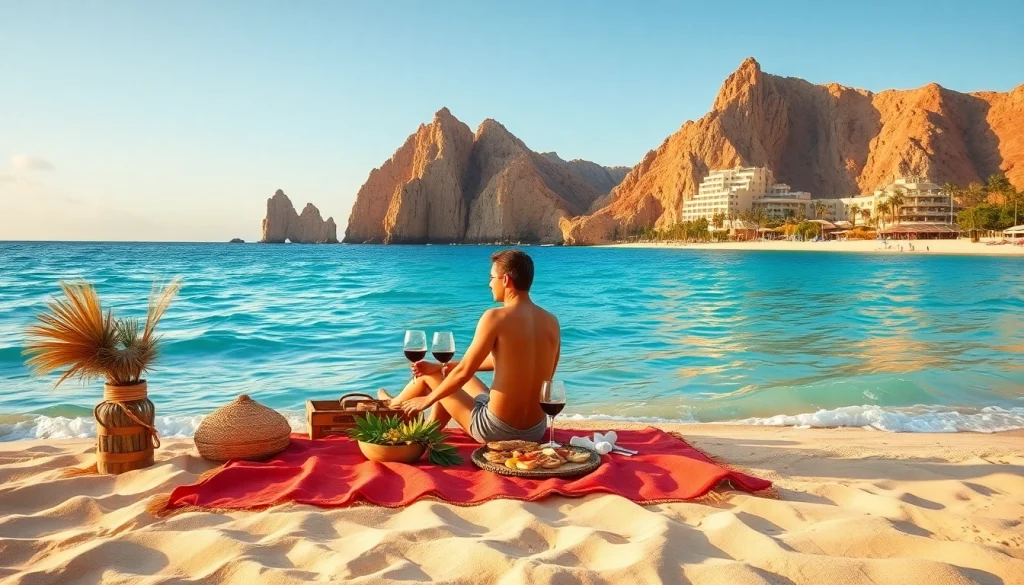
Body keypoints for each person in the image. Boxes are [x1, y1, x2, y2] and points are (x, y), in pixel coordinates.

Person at [380, 249, 560, 444]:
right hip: (536, 431)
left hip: (495, 430)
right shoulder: (552, 321)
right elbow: (539, 370)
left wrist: (427, 400)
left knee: (430, 376)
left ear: (506, 280)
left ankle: (393, 405)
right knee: (447, 373)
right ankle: (428, 430)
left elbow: (464, 371)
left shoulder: (495, 317)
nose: (490, 283)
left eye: (492, 278)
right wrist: (443, 366)